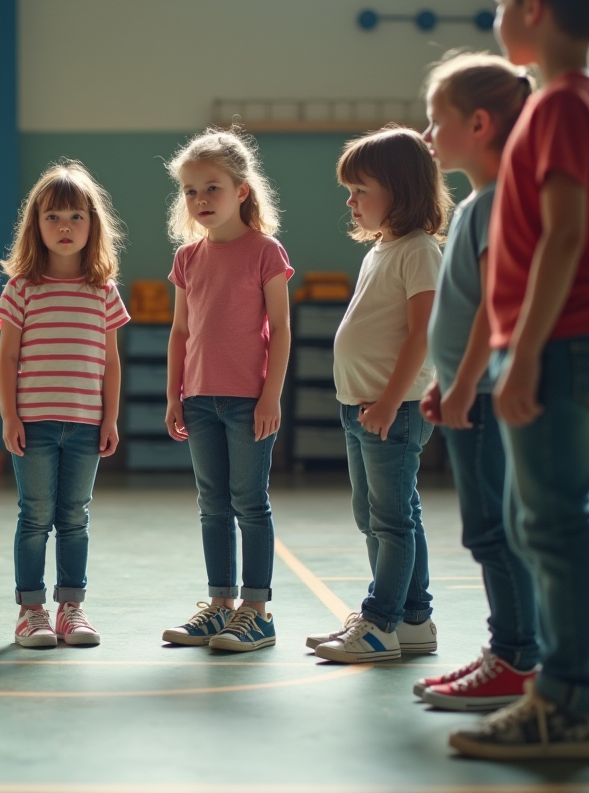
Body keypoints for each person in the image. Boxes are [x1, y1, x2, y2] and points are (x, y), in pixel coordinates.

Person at [449, 0, 589, 760]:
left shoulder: (562, 105)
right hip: (554, 343)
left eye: (500, 1)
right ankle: (559, 695)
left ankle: (575, 702)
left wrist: (522, 353)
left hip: (560, 345)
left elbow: (564, 237)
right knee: (536, 522)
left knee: (555, 526)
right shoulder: (572, 98)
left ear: (533, 7)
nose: (496, 13)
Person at [415, 52, 538, 712]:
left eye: (437, 122)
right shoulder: (474, 203)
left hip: (485, 394)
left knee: (493, 529)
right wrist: (449, 379)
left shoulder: (498, 203)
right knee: (488, 527)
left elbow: (494, 304)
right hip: (470, 389)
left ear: (481, 125)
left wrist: (464, 383)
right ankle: (509, 651)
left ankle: (516, 658)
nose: (428, 135)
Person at [307, 126, 451, 663]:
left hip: (394, 409)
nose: (350, 201)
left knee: (390, 520)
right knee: (380, 517)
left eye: (360, 190)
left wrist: (390, 402)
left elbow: (422, 332)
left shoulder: (419, 251)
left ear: (400, 190)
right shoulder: (381, 250)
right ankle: (413, 621)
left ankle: (379, 623)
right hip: (363, 407)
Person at [160, 128, 293, 653]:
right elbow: (180, 331)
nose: (200, 199)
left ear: (241, 190)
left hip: (248, 402)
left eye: (211, 188)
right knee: (212, 504)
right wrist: (175, 395)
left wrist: (271, 395)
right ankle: (220, 605)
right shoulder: (187, 258)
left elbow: (280, 329)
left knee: (250, 502)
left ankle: (256, 613)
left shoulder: (265, 251)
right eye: (190, 191)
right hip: (199, 400)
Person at [0, 161, 129, 648]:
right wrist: (10, 416)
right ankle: (31, 611)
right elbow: (7, 358)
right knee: (35, 516)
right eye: (52, 217)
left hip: (86, 425)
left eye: (75, 217)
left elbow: (110, 362)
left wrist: (110, 418)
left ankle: (71, 608)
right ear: (36, 225)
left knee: (74, 517)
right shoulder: (21, 288)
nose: (64, 226)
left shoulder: (103, 291)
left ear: (92, 225)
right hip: (34, 425)